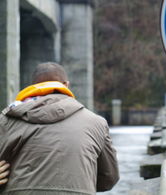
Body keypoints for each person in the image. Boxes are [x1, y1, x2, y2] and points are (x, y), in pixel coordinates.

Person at [0, 62, 119, 194]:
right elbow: (109, 179)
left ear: (33, 87)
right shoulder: (96, 123)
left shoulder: (6, 120)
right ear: (66, 85)